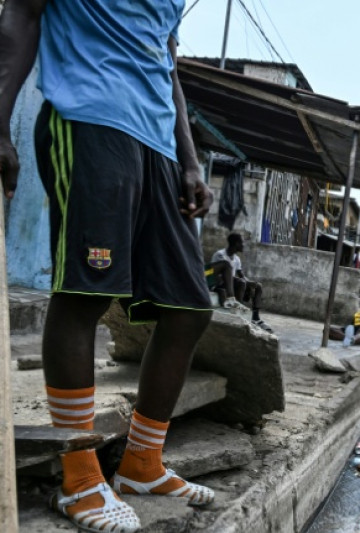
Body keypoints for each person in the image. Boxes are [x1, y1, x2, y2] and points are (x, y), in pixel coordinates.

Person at [0, 2, 216, 530]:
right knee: (84, 293)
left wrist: (189, 160)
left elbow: (166, 61)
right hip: (88, 117)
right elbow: (20, 16)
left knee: (189, 307)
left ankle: (142, 464)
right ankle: (78, 480)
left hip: (156, 144)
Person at [210, 233, 272, 332]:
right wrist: (243, 281)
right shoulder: (220, 255)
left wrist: (251, 283)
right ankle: (238, 312)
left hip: (235, 283)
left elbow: (241, 275)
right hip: (222, 284)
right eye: (242, 243)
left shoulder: (237, 259)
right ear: (236, 244)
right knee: (241, 283)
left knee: (257, 286)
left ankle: (255, 317)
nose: (243, 245)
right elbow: (216, 275)